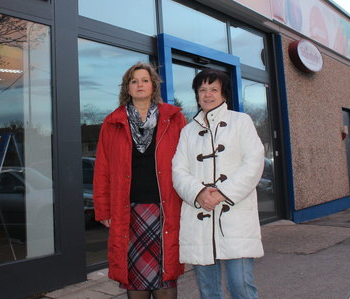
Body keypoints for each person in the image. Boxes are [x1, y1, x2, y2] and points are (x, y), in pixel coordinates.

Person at [93, 62, 187, 299]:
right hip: (129, 212)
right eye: (134, 81)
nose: (140, 85)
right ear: (127, 87)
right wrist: (103, 209)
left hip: (166, 208)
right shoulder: (112, 123)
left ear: (153, 85)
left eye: (145, 80)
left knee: (166, 275)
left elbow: (188, 163)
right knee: (135, 278)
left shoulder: (174, 118)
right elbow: (102, 169)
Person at [172, 69, 264, 299]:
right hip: (199, 218)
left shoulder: (241, 122)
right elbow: (178, 171)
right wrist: (199, 193)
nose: (207, 94)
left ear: (224, 94)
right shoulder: (187, 131)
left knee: (241, 285)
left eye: (213, 89)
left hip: (236, 218)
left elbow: (254, 163)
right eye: (202, 90)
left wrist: (222, 193)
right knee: (208, 291)